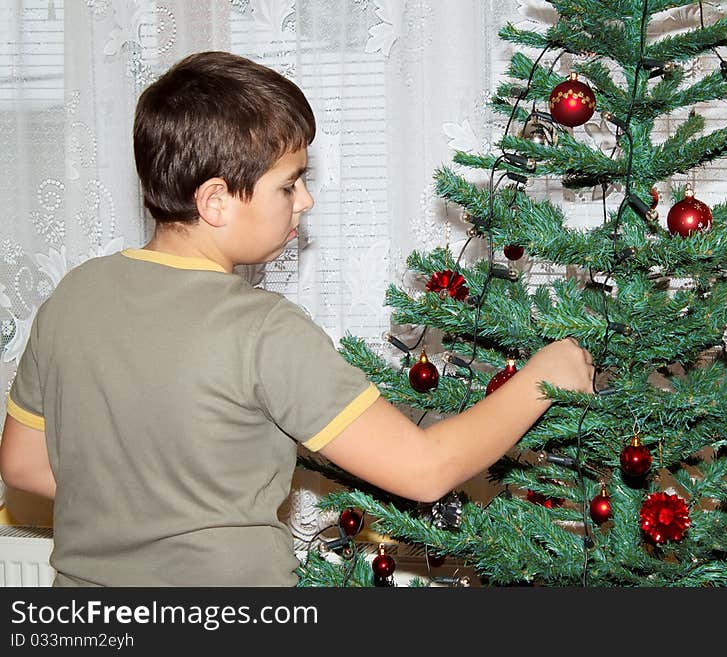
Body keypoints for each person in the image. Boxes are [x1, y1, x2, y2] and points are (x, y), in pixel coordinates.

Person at [0, 51, 595, 586]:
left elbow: (22, 465)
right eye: (290, 185)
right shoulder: (261, 329)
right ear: (215, 201)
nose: (304, 201)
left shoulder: (73, 297)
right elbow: (426, 469)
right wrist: (548, 374)